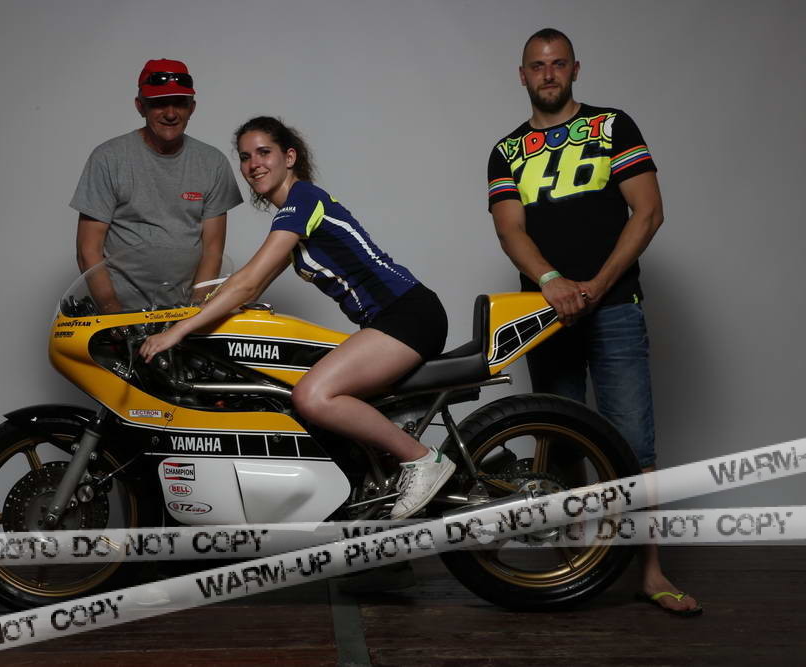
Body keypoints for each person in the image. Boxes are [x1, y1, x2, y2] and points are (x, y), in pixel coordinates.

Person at [141, 116, 454, 520]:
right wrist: (188, 311)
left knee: (312, 396)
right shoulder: (293, 220)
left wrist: (177, 331)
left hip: (408, 314)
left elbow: (247, 284)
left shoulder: (303, 200)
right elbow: (247, 286)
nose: (253, 164)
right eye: (245, 157)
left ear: (290, 157)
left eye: (264, 152)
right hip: (390, 321)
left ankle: (424, 460)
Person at [487, 28, 701, 616]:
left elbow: (648, 211)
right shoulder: (506, 150)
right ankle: (579, 566)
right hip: (546, 314)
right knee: (561, 440)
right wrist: (553, 282)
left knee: (635, 443)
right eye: (538, 66)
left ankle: (651, 572)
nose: (548, 74)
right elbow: (509, 230)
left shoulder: (612, 126)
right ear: (523, 75)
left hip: (615, 306)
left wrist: (599, 285)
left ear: (575, 69)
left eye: (558, 64)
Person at [70, 59, 242, 309]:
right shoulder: (108, 158)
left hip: (182, 313)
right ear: (141, 107)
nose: (171, 114)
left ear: (192, 108)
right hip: (118, 312)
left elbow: (212, 251)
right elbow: (88, 251)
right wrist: (115, 317)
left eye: (179, 103)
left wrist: (194, 314)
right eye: (159, 103)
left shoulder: (213, 163)